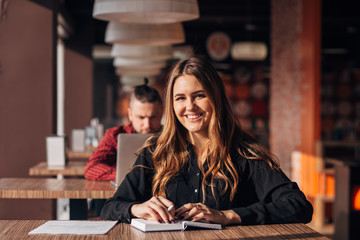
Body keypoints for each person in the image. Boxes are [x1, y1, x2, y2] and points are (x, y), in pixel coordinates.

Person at [100, 57, 313, 226]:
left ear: (216, 98)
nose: (190, 107)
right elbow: (110, 207)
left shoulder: (246, 153)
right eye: (180, 98)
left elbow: (299, 206)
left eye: (199, 95)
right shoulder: (156, 152)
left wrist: (228, 215)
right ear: (172, 105)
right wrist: (136, 209)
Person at [84, 79, 163, 181]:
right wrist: (127, 175)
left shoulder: (173, 135)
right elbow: (91, 168)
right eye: (141, 117)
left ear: (161, 113)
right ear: (130, 115)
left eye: (153, 117)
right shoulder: (115, 135)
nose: (147, 124)